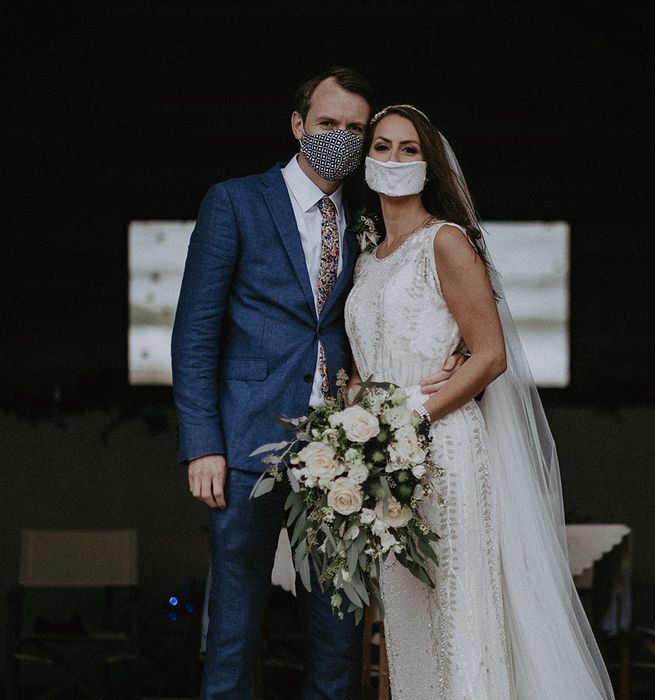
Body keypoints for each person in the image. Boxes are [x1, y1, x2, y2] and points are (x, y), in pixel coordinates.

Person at [171, 71, 462, 699]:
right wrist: (203, 444)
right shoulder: (235, 202)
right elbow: (195, 332)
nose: (343, 138)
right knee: (234, 631)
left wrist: (439, 364)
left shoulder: (368, 215)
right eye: (328, 123)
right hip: (247, 447)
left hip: (343, 456)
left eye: (356, 129)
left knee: (336, 637)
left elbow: (392, 314)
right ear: (298, 125)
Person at [344, 105, 616, 698]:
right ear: (365, 159)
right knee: (409, 618)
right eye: (382, 147)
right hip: (386, 461)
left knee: (459, 613)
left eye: (409, 150)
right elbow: (370, 361)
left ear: (429, 163)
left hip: (443, 449)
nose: (392, 161)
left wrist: (409, 415)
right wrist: (361, 410)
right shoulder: (366, 259)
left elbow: (491, 355)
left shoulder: (445, 240)